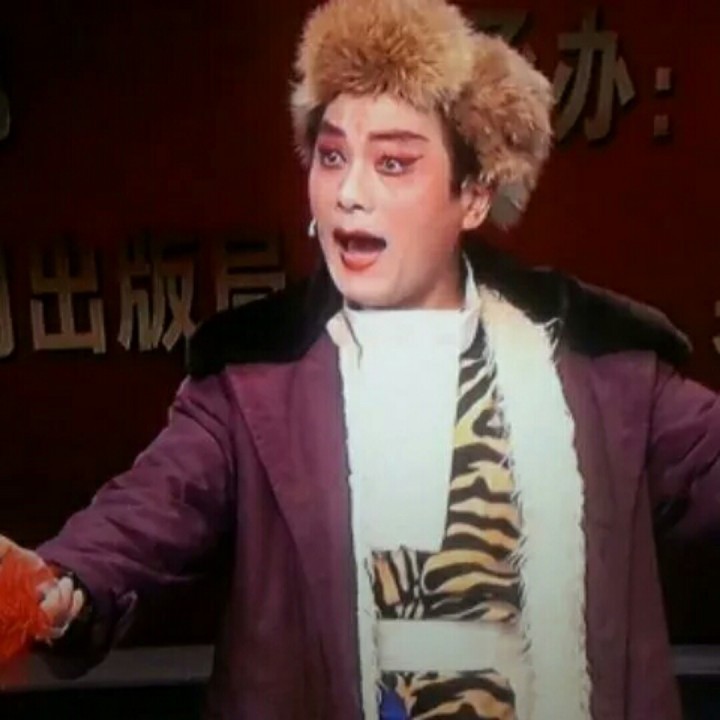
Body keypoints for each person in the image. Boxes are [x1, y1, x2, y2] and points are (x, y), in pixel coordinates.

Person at [1, 0, 718, 718]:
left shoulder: (602, 370)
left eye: (393, 163)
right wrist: (56, 585)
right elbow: (148, 512)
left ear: (473, 195)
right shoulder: (257, 381)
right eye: (333, 156)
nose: (349, 194)